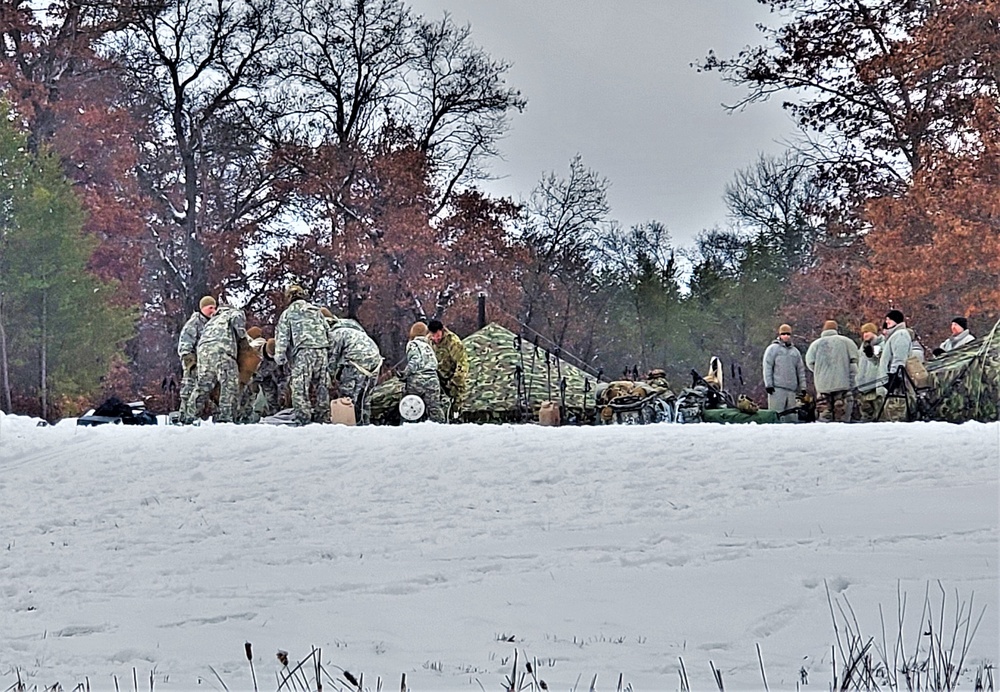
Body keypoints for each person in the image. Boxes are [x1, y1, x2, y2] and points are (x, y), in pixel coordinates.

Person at [273, 285, 330, 425]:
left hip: (304, 352)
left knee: (299, 387)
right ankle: (323, 417)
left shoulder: (288, 313)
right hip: (322, 351)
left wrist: (279, 356)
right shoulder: (316, 311)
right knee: (322, 385)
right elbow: (329, 331)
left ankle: (303, 419)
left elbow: (282, 337)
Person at [184, 302, 247, 423]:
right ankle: (226, 419)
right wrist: (242, 338)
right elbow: (239, 326)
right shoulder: (233, 312)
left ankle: (190, 417)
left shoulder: (211, 321)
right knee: (229, 385)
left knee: (202, 387)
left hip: (203, 353)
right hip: (222, 351)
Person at [327, 312, 383, 425]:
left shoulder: (336, 333)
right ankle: (365, 426)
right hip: (376, 362)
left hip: (356, 363)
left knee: (346, 400)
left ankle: (346, 429)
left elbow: (332, 359)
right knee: (365, 400)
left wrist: (328, 378)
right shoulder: (356, 330)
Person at [805, 319, 859, 422]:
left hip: (822, 386)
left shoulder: (815, 344)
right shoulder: (846, 341)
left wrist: (819, 372)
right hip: (842, 384)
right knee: (841, 415)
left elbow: (810, 363)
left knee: (824, 415)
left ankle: (825, 434)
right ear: (836, 329)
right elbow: (855, 360)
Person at [176, 296, 216, 419]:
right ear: (203, 308)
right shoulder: (194, 324)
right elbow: (185, 346)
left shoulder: (213, 324)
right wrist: (191, 365)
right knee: (188, 392)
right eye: (210, 308)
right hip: (194, 366)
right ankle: (184, 418)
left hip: (208, 366)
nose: (213, 311)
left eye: (215, 307)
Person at [398, 321, 445, 423]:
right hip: (433, 380)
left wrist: (405, 374)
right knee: (434, 408)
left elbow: (415, 360)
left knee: (412, 406)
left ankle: (408, 429)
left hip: (417, 380)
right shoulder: (429, 345)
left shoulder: (413, 344)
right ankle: (443, 428)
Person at [762, 323, 807, 422]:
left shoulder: (795, 352)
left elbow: (800, 370)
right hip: (777, 389)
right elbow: (768, 367)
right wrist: (768, 384)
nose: (786, 336)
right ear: (779, 335)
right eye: (783, 334)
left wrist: (803, 387)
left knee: (792, 417)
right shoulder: (773, 349)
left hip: (792, 390)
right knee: (777, 415)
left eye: (788, 334)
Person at [427, 319, 468, 422]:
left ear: (442, 331)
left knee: (456, 404)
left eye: (437, 335)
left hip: (452, 378)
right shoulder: (428, 341)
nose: (435, 338)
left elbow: (462, 364)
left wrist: (455, 382)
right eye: (433, 335)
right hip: (436, 377)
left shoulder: (453, 342)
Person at [879, 309, 913, 421]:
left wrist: (894, 376)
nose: (887, 322)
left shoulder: (901, 335)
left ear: (896, 321)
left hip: (897, 381)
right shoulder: (893, 336)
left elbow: (899, 358)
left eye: (889, 320)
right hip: (890, 379)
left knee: (895, 411)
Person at [854, 322, 885, 422]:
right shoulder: (862, 348)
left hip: (875, 385)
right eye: (863, 333)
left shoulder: (880, 345)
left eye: (867, 332)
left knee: (879, 415)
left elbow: (878, 361)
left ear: (873, 332)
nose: (865, 335)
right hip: (863, 386)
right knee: (865, 416)